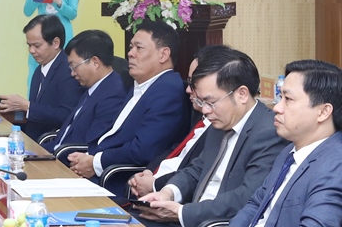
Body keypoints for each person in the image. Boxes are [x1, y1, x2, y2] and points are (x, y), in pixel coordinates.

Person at [210, 60, 342, 227]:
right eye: (280, 97)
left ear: (323, 111)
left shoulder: (335, 163)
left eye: (288, 99)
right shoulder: (290, 151)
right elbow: (256, 203)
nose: (277, 107)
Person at [136, 48, 288, 227]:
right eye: (201, 102)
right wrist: (168, 193)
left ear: (242, 94)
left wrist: (181, 213)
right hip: (191, 223)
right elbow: (197, 169)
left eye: (210, 102)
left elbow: (246, 197)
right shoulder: (220, 121)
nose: (205, 110)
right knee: (127, 224)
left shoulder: (269, 132)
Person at [66, 20, 191, 191]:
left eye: (139, 48)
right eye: (131, 47)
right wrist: (88, 158)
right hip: (99, 168)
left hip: (118, 181)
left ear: (163, 55)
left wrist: (95, 162)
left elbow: (142, 150)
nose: (130, 53)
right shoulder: (142, 85)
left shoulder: (168, 91)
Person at [128, 45, 234, 198]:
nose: (188, 90)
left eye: (194, 83)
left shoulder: (221, 125)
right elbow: (177, 149)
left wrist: (155, 185)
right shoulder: (200, 114)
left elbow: (195, 172)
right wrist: (149, 172)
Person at [0, 15, 84, 143]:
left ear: (55, 43)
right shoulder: (39, 70)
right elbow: (38, 112)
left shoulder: (69, 70)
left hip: (51, 143)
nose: (31, 51)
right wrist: (14, 109)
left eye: (36, 45)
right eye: (29, 45)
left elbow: (67, 116)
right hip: (32, 140)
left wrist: (27, 106)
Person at [47, 30, 127, 153]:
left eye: (74, 66)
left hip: (69, 160)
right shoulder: (94, 87)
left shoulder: (113, 95)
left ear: (95, 62)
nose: (72, 73)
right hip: (58, 153)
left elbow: (92, 147)